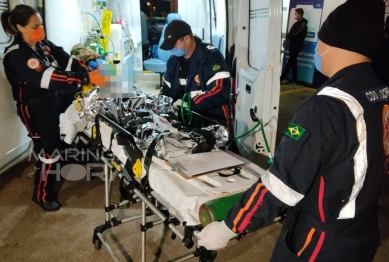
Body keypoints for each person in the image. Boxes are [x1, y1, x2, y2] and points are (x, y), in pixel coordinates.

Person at [198, 1, 387, 261]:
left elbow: (281, 185)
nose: (319, 48)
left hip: (319, 243)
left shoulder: (327, 107)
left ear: (336, 43)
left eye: (321, 41)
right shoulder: (379, 94)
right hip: (362, 234)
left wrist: (228, 227)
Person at [1, 5, 102, 211]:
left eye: (41, 24)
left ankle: (73, 150)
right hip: (35, 107)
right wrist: (84, 78)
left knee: (87, 104)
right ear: (20, 27)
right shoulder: (17, 55)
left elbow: (67, 58)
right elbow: (47, 77)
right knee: (48, 148)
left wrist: (91, 71)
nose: (40, 29)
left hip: (52, 98)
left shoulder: (42, 45)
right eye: (35, 26)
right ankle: (42, 194)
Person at [159, 19, 232, 133]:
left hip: (213, 123)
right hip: (186, 124)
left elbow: (220, 90)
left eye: (174, 45)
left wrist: (191, 104)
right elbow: (166, 91)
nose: (172, 50)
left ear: (186, 39)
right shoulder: (173, 62)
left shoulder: (211, 57)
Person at [280, 8, 308, 85]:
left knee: (290, 62)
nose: (295, 15)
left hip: (297, 46)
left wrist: (291, 35)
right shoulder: (295, 24)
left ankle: (281, 78)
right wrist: (291, 35)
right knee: (293, 62)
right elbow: (290, 34)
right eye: (295, 14)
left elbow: (296, 35)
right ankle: (294, 80)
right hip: (292, 45)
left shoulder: (303, 26)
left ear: (301, 14)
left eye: (296, 14)